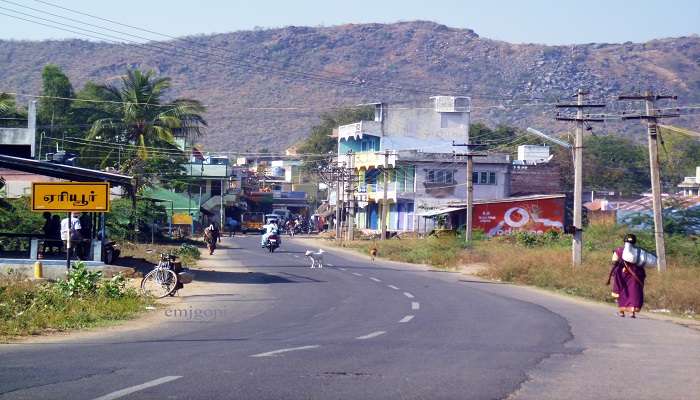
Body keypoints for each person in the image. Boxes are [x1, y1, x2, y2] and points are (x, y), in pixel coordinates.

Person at [607, 233, 647, 318]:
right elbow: (643, 263)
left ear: (624, 241)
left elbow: (614, 261)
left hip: (622, 274)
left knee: (622, 291)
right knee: (634, 292)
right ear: (634, 242)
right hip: (636, 274)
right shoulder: (639, 252)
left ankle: (621, 312)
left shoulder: (619, 250)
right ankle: (632, 313)